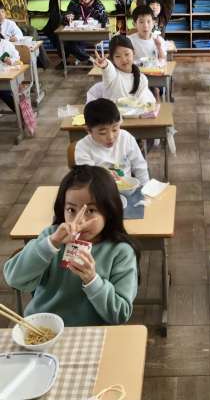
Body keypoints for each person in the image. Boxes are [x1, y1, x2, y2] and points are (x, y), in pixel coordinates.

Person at [3, 165, 139, 326]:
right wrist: (51, 244)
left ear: (109, 211)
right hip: (44, 328)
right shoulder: (51, 236)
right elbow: (15, 280)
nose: (79, 221)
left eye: (91, 210)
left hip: (93, 332)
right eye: (71, 210)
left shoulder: (121, 252)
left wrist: (92, 280)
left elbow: (120, 314)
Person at [75, 98, 150, 186]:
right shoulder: (83, 147)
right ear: (89, 130)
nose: (110, 137)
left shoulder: (126, 138)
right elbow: (89, 179)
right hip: (100, 191)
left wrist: (145, 188)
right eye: (102, 133)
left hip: (127, 189)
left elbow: (140, 166)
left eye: (115, 129)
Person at [57, 0, 108, 68]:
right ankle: (90, 59)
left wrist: (96, 16)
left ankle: (83, 57)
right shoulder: (75, 0)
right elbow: (67, 14)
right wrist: (69, 15)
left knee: (70, 44)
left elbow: (105, 20)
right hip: (76, 34)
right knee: (65, 41)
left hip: (92, 36)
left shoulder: (97, 4)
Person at [93, 34, 155, 104]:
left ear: (133, 52)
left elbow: (145, 102)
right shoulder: (113, 75)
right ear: (112, 59)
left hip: (135, 111)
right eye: (118, 56)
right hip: (112, 111)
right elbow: (108, 70)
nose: (123, 59)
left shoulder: (142, 79)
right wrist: (106, 65)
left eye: (127, 54)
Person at [0, 35, 20, 112]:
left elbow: (16, 57)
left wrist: (10, 60)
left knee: (4, 92)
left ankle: (20, 113)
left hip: (6, 75)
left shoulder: (6, 44)